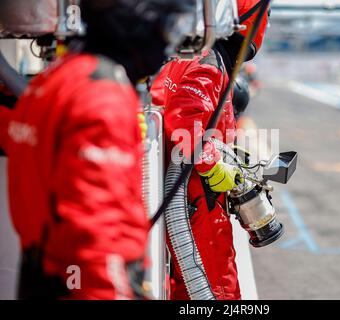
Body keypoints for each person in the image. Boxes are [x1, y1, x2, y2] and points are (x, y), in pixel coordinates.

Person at [0, 0, 196, 300]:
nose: (169, 44)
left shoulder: (57, 78)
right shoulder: (103, 96)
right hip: (83, 285)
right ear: (136, 23)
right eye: (170, 28)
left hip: (40, 275)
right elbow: (95, 235)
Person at [150, 0, 270, 300]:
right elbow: (185, 121)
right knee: (215, 292)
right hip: (196, 205)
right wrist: (213, 164)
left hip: (178, 201)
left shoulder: (181, 55)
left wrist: (226, 153)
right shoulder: (208, 61)